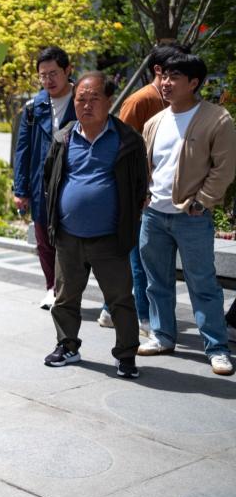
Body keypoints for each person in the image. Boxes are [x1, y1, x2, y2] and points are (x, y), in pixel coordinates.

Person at [42, 72, 149, 378]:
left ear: (109, 102)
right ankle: (67, 345)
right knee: (64, 297)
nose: (86, 105)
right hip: (68, 235)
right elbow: (50, 177)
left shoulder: (127, 139)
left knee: (120, 300)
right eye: (81, 99)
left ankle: (126, 354)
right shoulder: (64, 137)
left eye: (94, 99)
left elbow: (139, 183)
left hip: (109, 238)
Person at [137, 53, 236, 376]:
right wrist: (143, 196)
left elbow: (224, 168)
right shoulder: (155, 121)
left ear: (194, 83)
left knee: (203, 282)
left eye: (174, 77)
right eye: (164, 76)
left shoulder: (217, 119)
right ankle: (162, 335)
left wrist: (202, 201)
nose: (165, 83)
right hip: (154, 214)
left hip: (191, 216)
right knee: (156, 281)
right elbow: (145, 165)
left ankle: (217, 348)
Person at [101, 44, 189, 335]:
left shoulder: (179, 103)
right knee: (139, 260)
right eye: (174, 71)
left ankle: (110, 309)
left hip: (162, 195)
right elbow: (114, 146)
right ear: (159, 71)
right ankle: (143, 319)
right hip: (138, 194)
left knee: (141, 258)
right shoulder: (141, 101)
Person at [13, 46, 77, 310]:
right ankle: (52, 287)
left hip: (73, 181)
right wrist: (20, 189)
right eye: (43, 75)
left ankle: (70, 288)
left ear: (68, 71)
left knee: (72, 240)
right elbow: (23, 150)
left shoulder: (82, 100)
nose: (48, 80)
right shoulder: (34, 107)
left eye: (53, 73)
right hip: (42, 183)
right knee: (43, 239)